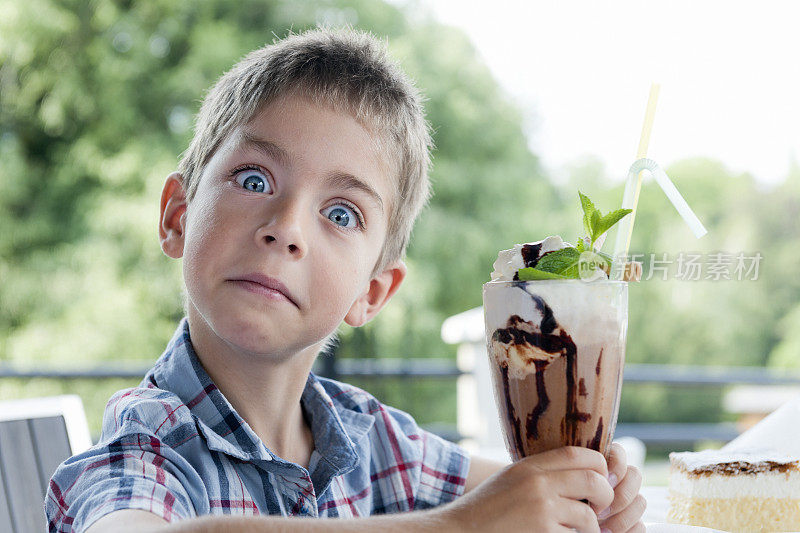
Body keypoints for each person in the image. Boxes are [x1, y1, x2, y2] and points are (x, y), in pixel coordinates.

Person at [45, 27, 645, 533]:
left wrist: (590, 499)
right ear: (177, 216)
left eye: (340, 214)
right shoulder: (143, 445)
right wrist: (458, 527)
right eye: (254, 179)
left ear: (373, 292)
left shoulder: (373, 440)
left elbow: (520, 498)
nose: (286, 229)